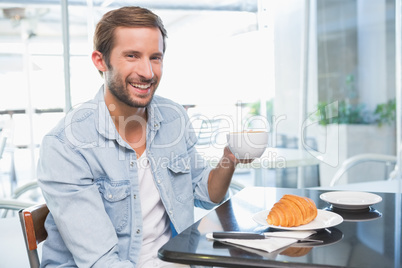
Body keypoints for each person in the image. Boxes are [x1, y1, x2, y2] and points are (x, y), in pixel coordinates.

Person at [37, 6, 251, 268]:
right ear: (100, 60)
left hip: (173, 259)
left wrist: (229, 159)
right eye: (132, 56)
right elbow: (101, 262)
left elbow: (207, 194)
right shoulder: (66, 145)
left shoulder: (173, 116)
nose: (148, 72)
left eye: (155, 57)